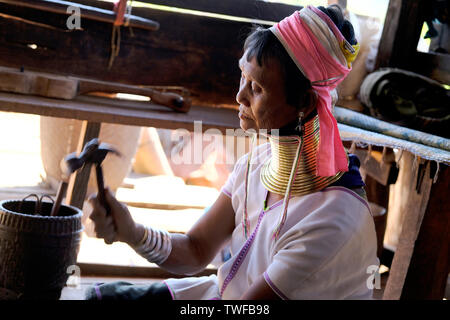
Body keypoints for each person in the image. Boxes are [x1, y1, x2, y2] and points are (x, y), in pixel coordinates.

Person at [86, 5, 379, 300]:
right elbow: (196, 249)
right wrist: (132, 232)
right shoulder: (256, 164)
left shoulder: (329, 221)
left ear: (304, 102)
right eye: (243, 76)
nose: (240, 95)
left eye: (257, 87)